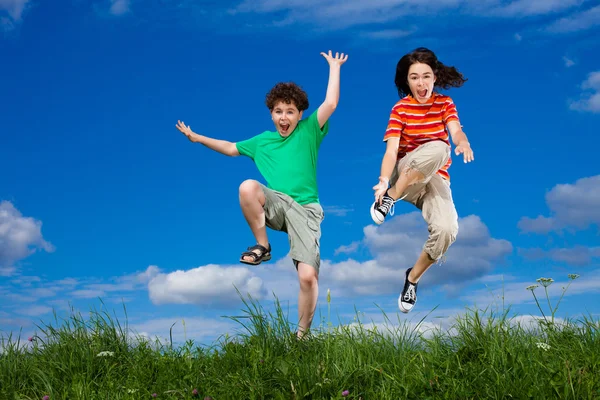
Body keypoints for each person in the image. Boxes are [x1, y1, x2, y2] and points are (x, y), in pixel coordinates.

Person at [176, 50, 349, 338]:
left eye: (290, 112)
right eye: (279, 112)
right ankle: (262, 246)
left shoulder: (309, 131)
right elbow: (230, 147)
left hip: (306, 210)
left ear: (300, 114)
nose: (284, 118)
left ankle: (302, 336)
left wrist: (334, 67)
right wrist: (197, 138)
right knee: (247, 186)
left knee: (308, 276)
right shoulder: (262, 142)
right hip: (277, 205)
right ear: (271, 114)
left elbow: (331, 102)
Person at [370, 47, 474, 313]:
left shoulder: (444, 104)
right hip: (405, 173)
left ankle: (412, 278)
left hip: (435, 175)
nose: (421, 83)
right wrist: (384, 182)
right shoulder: (401, 108)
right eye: (414, 77)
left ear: (435, 78)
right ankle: (390, 197)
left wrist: (463, 142)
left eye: (426, 76)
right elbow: (391, 150)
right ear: (407, 81)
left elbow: (456, 131)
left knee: (447, 230)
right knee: (440, 148)